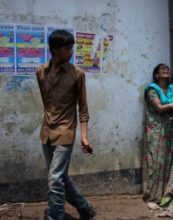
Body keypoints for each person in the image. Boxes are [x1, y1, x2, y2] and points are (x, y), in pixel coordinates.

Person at [36, 30, 95, 220]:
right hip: (46, 132)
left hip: (65, 133)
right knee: (60, 179)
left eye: (71, 48)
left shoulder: (77, 74)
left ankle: (55, 216)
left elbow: (83, 108)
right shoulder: (40, 72)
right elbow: (47, 103)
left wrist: (84, 137)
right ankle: (85, 208)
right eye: (67, 48)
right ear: (55, 50)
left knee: (54, 180)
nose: (70, 52)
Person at [143, 64, 173, 209]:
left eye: (167, 70)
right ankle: (152, 197)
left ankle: (167, 193)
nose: (166, 71)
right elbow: (160, 107)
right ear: (157, 75)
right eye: (162, 70)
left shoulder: (172, 89)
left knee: (172, 160)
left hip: (171, 129)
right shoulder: (152, 90)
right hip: (157, 131)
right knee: (157, 163)